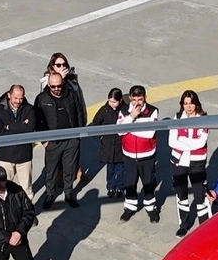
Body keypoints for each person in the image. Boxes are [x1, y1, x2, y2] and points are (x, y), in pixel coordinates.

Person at [34, 70, 86, 209]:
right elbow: (37, 121)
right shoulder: (42, 99)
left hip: (71, 141)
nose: (57, 89)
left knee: (70, 169)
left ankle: (69, 194)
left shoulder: (71, 95)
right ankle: (50, 194)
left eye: (59, 86)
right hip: (52, 142)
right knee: (51, 171)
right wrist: (44, 141)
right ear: (48, 85)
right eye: (53, 86)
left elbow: (79, 113)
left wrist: (78, 135)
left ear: (63, 83)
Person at [168, 90, 211, 237]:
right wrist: (189, 143)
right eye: (185, 104)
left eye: (191, 103)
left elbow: (200, 143)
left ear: (196, 104)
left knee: (200, 194)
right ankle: (184, 224)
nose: (188, 107)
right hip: (179, 161)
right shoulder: (177, 117)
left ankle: (204, 226)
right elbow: (171, 142)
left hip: (197, 162)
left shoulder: (204, 119)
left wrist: (182, 141)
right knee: (181, 194)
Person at [118, 85, 160, 223]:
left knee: (148, 183)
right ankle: (129, 208)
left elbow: (149, 133)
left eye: (140, 99)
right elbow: (119, 131)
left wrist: (129, 128)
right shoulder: (124, 110)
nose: (137, 103)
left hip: (147, 155)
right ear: (130, 98)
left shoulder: (152, 111)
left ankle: (151, 209)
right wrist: (131, 117)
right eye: (134, 99)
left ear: (145, 98)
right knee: (130, 183)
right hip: (129, 155)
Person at [0, 84, 38, 200]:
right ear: (9, 95)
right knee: (3, 189)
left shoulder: (29, 109)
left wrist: (9, 126)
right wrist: (22, 125)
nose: (18, 101)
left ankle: (27, 210)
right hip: (5, 157)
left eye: (21, 98)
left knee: (27, 189)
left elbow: (30, 128)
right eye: (15, 98)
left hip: (24, 156)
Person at [90, 88, 126, 198]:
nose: (111, 104)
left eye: (114, 102)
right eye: (110, 101)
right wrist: (101, 136)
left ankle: (120, 187)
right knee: (110, 168)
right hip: (108, 145)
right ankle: (110, 186)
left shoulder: (125, 110)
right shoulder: (104, 110)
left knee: (120, 168)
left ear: (120, 100)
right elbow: (96, 123)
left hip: (120, 145)